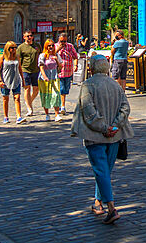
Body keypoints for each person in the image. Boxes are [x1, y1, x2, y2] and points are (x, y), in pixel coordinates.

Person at [71, 55, 133, 225]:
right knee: (105, 171)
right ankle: (98, 202)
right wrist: (115, 125)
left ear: (91, 68)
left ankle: (111, 208)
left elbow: (88, 110)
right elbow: (125, 107)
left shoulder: (88, 85)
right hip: (114, 136)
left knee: (101, 170)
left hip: (95, 136)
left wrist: (103, 127)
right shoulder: (116, 85)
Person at [0, 41, 25, 124]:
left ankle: (19, 116)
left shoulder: (17, 57)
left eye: (15, 47)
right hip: (5, 80)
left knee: (17, 98)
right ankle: (6, 116)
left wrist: (23, 79)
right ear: (7, 49)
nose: (14, 49)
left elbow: (20, 68)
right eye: (12, 48)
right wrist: (0, 80)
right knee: (5, 99)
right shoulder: (3, 57)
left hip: (16, 79)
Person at [38, 39, 64, 122]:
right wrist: (45, 76)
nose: (51, 47)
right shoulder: (43, 56)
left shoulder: (56, 55)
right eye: (49, 45)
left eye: (52, 45)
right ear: (46, 46)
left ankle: (57, 115)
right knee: (46, 95)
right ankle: (47, 114)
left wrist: (56, 59)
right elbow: (41, 67)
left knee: (56, 95)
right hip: (45, 78)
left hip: (54, 77)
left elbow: (60, 66)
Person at [17, 31, 41, 116]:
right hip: (25, 70)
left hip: (35, 70)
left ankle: (29, 100)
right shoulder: (21, 47)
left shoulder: (36, 46)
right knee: (27, 88)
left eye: (30, 36)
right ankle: (29, 108)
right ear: (24, 37)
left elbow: (40, 56)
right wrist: (19, 71)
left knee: (36, 89)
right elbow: (19, 60)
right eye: (27, 36)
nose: (29, 37)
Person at [55, 32, 80, 114]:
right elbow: (51, 55)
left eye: (64, 41)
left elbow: (75, 57)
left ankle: (60, 104)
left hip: (68, 71)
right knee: (61, 89)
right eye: (61, 41)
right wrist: (58, 49)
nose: (63, 43)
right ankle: (62, 106)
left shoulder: (70, 46)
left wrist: (76, 65)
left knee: (66, 90)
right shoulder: (55, 46)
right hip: (59, 72)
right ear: (59, 39)